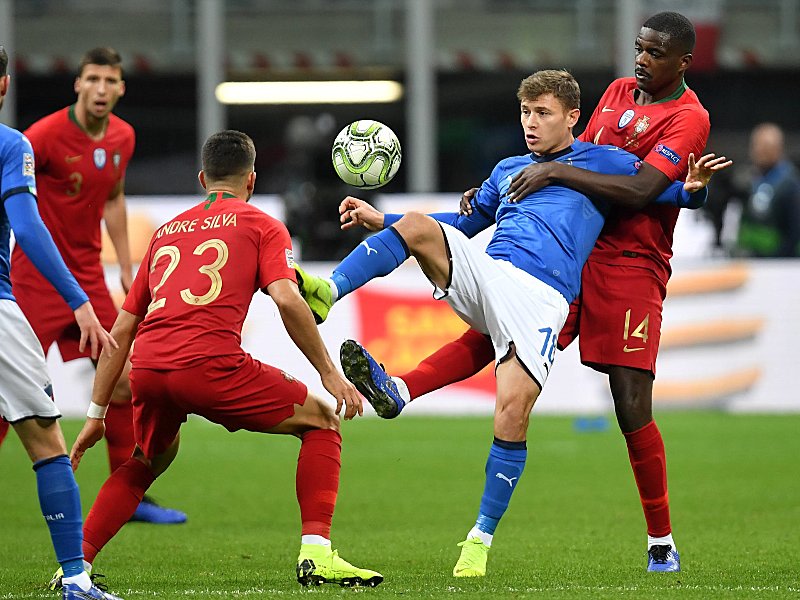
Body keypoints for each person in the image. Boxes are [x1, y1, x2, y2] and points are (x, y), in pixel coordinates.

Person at [300, 11, 712, 574]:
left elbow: (644, 188)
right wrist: (390, 216)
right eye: (638, 48)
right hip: (563, 254)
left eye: (654, 52)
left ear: (682, 61)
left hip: (630, 264)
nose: (641, 59)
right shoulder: (608, 100)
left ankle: (659, 540)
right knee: (480, 324)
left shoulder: (689, 117)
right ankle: (368, 348)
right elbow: (553, 167)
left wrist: (690, 196)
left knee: (626, 403)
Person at [63, 130, 383, 588]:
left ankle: (74, 568)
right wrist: (329, 374)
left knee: (145, 461)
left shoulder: (165, 232)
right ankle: (317, 554)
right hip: (211, 366)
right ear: (251, 180)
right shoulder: (261, 224)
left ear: (202, 179)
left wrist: (96, 413)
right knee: (322, 422)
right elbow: (289, 300)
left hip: (150, 370)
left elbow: (122, 328)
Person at [3, 47, 185, 525]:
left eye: (111, 80)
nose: (102, 88)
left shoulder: (123, 136)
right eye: (93, 79)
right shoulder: (39, 137)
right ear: (78, 85)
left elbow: (114, 201)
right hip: (32, 279)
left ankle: (131, 498)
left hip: (87, 276)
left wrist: (126, 267)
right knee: (7, 391)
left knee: (123, 380)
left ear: (122, 87)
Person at [0, 45, 124, 600]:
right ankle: (76, 577)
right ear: (4, 87)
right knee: (47, 443)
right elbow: (26, 228)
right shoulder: (15, 144)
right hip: (8, 302)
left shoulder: (118, 139)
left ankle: (133, 491)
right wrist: (78, 299)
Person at [736, 122, 800, 257]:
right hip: (753, 257)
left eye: (765, 147)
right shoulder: (749, 180)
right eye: (756, 145)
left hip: (781, 262)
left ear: (778, 149)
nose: (759, 151)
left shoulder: (789, 184)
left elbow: (794, 230)